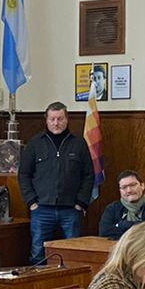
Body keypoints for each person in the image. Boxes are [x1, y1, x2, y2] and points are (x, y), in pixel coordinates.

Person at [18, 102, 93, 264]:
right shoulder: (35, 143)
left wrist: (81, 203)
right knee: (38, 253)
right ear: (46, 120)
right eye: (52, 119)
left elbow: (88, 175)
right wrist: (31, 201)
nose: (56, 123)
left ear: (67, 119)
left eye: (60, 119)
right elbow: (23, 174)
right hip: (41, 208)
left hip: (71, 209)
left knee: (73, 253)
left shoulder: (79, 143)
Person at [99, 170, 145, 239]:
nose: (129, 190)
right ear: (120, 191)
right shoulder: (112, 209)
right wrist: (140, 228)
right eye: (124, 187)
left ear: (142, 185)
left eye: (133, 185)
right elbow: (105, 232)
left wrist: (123, 225)